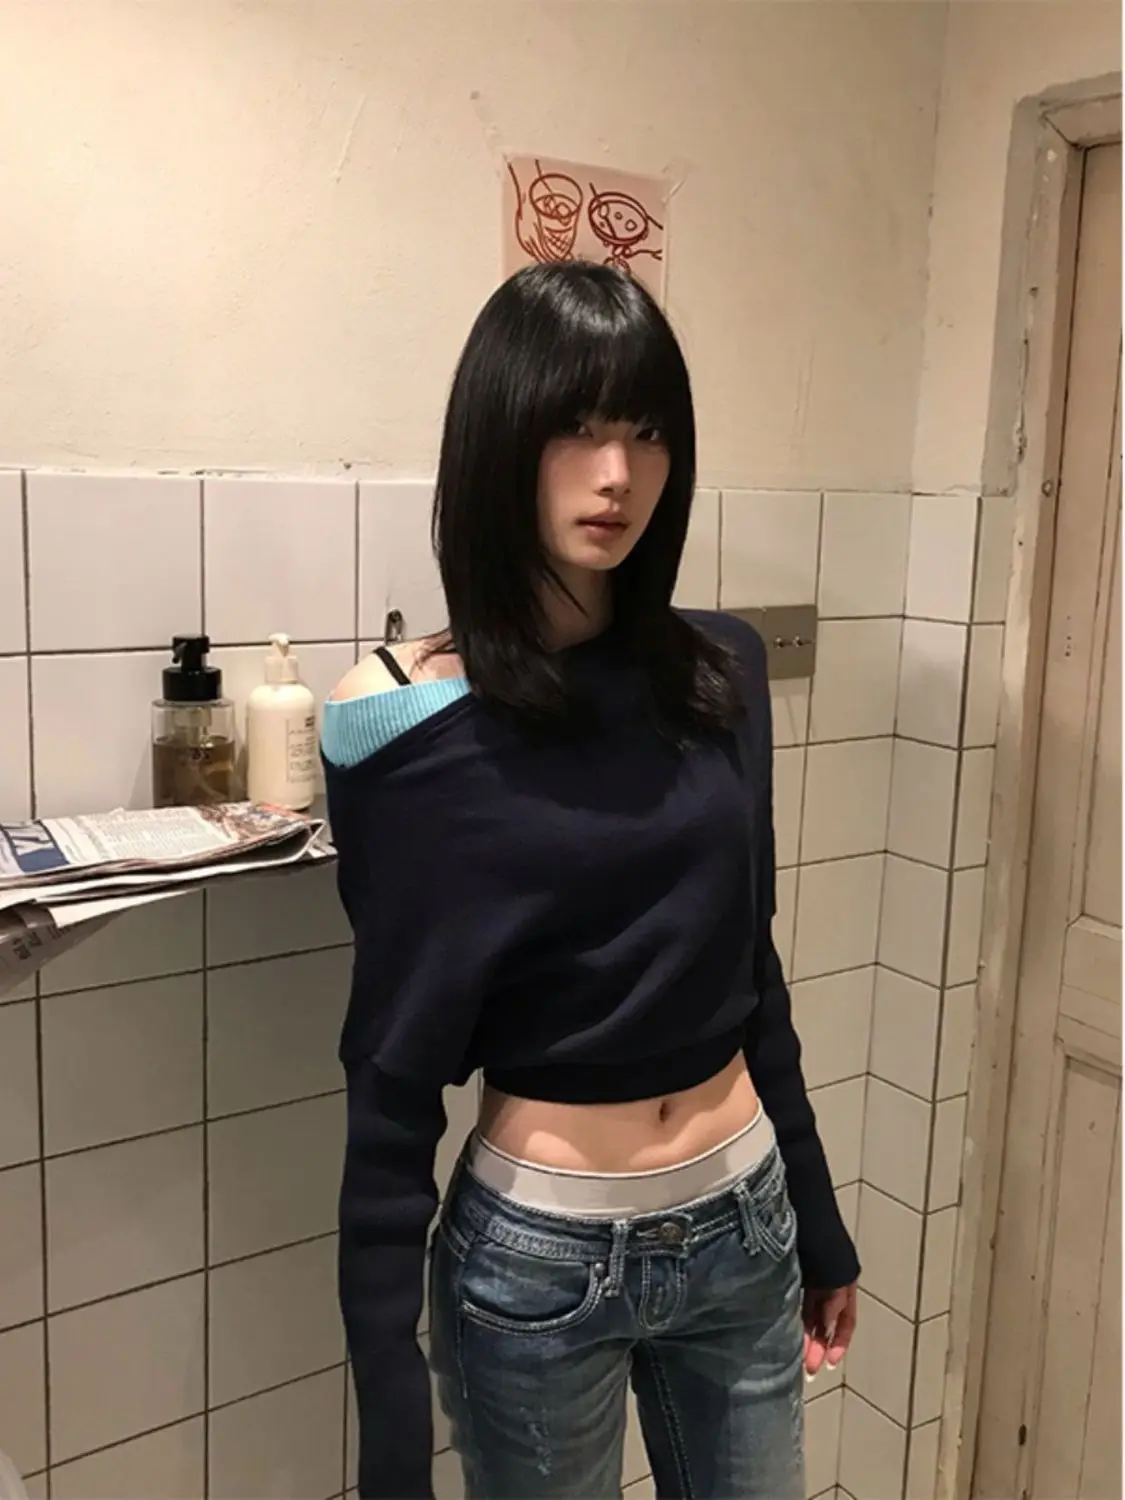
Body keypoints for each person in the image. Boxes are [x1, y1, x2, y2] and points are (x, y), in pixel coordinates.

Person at [322, 261, 860, 1500]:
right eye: (576, 427)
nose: (617, 474)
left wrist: (819, 1220)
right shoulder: (399, 719)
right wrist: (391, 1435)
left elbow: (750, 968)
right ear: (499, 438)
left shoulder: (720, 671)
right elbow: (391, 1080)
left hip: (745, 1222)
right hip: (538, 1260)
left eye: (648, 433)